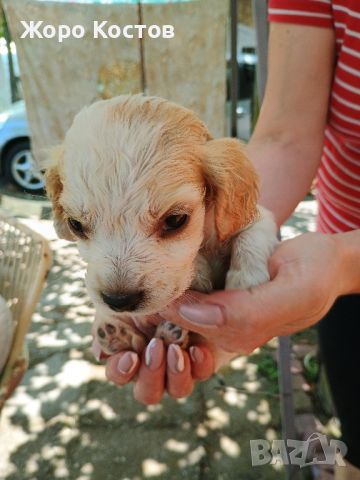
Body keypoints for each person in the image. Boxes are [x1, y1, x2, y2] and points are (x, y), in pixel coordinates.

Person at [103, 0, 360, 476]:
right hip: (347, 277)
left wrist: (345, 260)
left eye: (171, 221)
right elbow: (285, 136)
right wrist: (219, 262)